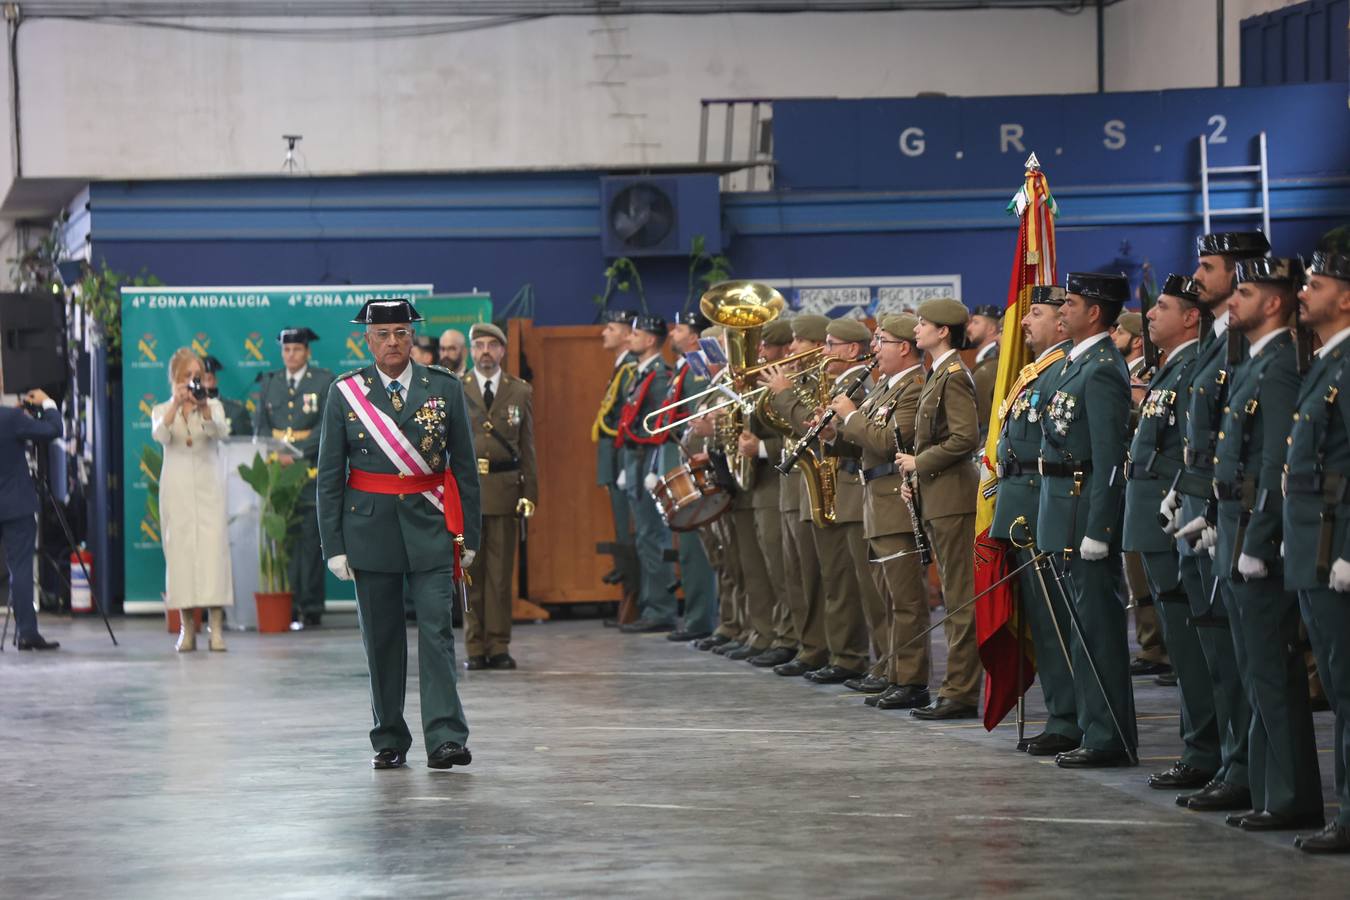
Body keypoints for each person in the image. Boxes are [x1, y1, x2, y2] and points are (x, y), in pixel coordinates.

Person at [316, 298, 481, 771]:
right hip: (369, 531)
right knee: (382, 640)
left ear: (413, 337)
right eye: (384, 334)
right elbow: (329, 475)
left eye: (402, 333)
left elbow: (465, 470)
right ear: (366, 340)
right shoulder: (344, 393)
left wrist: (468, 535)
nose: (394, 342)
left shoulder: (443, 388)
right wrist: (335, 545)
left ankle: (446, 737)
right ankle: (389, 737)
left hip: (432, 527)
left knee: (437, 634)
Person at [1213, 256, 1323, 832]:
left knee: (1271, 674)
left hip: (1256, 537)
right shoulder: (1255, 363)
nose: (1233, 301)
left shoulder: (1279, 366)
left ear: (1274, 303)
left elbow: (1276, 463)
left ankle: (1287, 796)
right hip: (1233, 528)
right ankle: (1266, 788)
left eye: (1246, 292)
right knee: (1254, 671)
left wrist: (1257, 539)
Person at [1166, 231, 1269, 812]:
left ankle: (1247, 770)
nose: (1197, 275)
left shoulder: (1254, 345)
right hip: (1206, 511)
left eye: (1208, 266)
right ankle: (1231, 763)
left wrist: (1212, 502)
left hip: (1235, 515)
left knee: (1241, 661)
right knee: (1218, 656)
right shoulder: (1219, 338)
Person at [1033, 272, 1136, 766]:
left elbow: (1109, 458)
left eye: (1070, 303)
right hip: (1063, 508)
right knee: (1079, 629)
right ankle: (1090, 727)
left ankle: (1108, 736)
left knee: (1097, 629)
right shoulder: (1075, 362)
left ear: (1094, 312)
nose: (1062, 310)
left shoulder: (1101, 369)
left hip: (1084, 512)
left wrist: (1100, 528)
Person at [1123, 275, 1221, 790]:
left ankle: (1205, 749)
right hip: (1153, 515)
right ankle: (1199, 746)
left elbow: (1188, 447)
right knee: (1184, 645)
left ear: (1190, 317)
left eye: (1163, 307)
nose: (1151, 315)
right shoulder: (1170, 367)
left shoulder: (1192, 368)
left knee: (1191, 644)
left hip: (1175, 520)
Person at [988, 285, 1079, 752]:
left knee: (1057, 622)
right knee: (1043, 624)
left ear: (1063, 321)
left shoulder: (1064, 370)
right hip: (1020, 508)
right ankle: (1061, 714)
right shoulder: (1036, 371)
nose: (1023, 321)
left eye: (1035, 313)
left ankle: (1070, 718)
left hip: (1041, 509)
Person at [1285, 247, 1350, 853]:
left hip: (1339, 546)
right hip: (1315, 540)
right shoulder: (1324, 363)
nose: (1303, 292)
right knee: (1335, 679)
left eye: (1316, 283)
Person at [832, 313, 930, 709]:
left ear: (903, 347)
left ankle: (912, 680)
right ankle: (893, 670)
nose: (874, 348)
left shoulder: (913, 386)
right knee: (888, 597)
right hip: (875, 498)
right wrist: (831, 432)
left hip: (894, 498)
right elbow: (861, 443)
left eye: (881, 341)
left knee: (905, 600)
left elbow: (891, 440)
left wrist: (850, 417)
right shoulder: (887, 388)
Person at [770, 318, 874, 683]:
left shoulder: (860, 384)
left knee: (845, 582)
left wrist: (784, 394)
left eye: (830, 344)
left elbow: (818, 430)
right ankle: (832, 651)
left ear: (851, 350)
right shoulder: (837, 381)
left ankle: (849, 655)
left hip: (850, 488)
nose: (823, 351)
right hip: (830, 488)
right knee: (827, 578)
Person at [897, 297, 982, 719]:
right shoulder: (937, 373)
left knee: (961, 599)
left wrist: (920, 463)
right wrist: (917, 477)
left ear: (943, 331)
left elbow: (965, 437)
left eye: (923, 323)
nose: (917, 330)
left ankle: (961, 691)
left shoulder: (953, 374)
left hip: (954, 498)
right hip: (939, 495)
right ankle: (956, 687)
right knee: (952, 595)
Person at [461, 322, 538, 670]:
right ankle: (475, 647)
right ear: (471, 351)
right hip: (468, 493)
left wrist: (530, 493)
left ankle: (499, 644)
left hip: (506, 491)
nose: (486, 352)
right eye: (479, 345)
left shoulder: (519, 391)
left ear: (503, 351)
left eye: (493, 345)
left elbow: (528, 448)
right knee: (470, 574)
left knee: (500, 575)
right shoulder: (455, 389)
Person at [151, 349, 233, 653]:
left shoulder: (213, 405)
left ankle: (216, 629)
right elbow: (160, 435)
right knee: (181, 557)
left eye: (196, 377)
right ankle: (187, 629)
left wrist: (204, 408)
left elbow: (220, 433)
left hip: (208, 489)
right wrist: (176, 403)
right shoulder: (162, 408)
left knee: (213, 557)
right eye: (186, 377)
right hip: (177, 491)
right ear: (175, 379)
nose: (192, 382)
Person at [253, 327, 335, 628]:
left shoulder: (323, 381)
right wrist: (273, 455)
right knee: (281, 543)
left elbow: (325, 427)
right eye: (286, 350)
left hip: (308, 472)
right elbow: (260, 426)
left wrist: (296, 453)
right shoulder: (270, 382)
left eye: (297, 350)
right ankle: (285, 604)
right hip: (276, 472)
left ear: (307, 352)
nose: (291, 355)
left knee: (310, 544)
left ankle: (310, 606)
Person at [655, 309, 719, 643]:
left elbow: (695, 417)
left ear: (695, 337)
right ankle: (699, 617)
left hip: (697, 458)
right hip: (684, 456)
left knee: (698, 546)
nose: (671, 333)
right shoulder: (684, 368)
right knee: (692, 546)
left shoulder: (697, 372)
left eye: (678, 328)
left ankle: (700, 618)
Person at [614, 313, 677, 633]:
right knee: (644, 537)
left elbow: (660, 426)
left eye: (635, 334)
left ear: (651, 339)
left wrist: (653, 466)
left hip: (647, 460)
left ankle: (661, 608)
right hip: (634, 460)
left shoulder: (660, 375)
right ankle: (654, 605)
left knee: (652, 535)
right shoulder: (639, 373)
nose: (629, 338)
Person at [0, 384, 63, 650]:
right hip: (16, 506)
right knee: (21, 569)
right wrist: (47, 403)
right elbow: (52, 431)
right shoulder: (11, 419)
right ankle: (27, 633)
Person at [592, 309, 640, 621]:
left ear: (626, 334)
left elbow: (626, 421)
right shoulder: (621, 368)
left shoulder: (631, 370)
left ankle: (636, 602)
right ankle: (631, 599)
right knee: (624, 533)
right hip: (614, 459)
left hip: (623, 457)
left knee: (631, 532)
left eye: (610, 328)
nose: (603, 333)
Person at [968, 304, 1002, 440]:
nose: (969, 328)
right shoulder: (984, 360)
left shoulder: (995, 362)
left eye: (975, 322)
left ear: (991, 329)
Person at [200, 355, 252, 436]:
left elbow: (247, 445)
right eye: (199, 381)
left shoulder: (236, 412)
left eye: (207, 379)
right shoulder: (186, 412)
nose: (203, 386)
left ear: (215, 380)